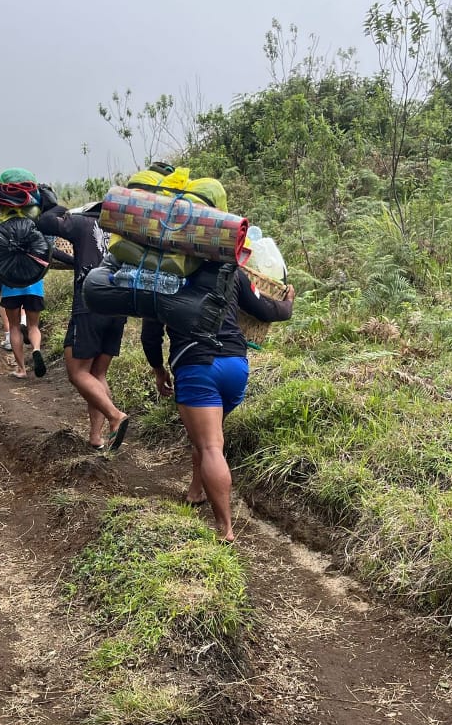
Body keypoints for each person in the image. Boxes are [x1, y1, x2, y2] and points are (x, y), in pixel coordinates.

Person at [141, 268, 295, 542]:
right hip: (236, 367)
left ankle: (225, 529)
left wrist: (158, 370)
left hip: (197, 367)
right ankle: (195, 491)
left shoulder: (163, 275)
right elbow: (265, 309)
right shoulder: (230, 272)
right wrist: (288, 303)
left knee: (211, 446)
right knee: (208, 435)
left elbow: (150, 335)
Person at [38, 200, 129, 451]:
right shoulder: (124, 231)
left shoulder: (82, 222)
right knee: (97, 374)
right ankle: (97, 437)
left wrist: (53, 205)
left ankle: (115, 416)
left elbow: (44, 222)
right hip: (119, 308)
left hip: (90, 305)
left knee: (77, 372)